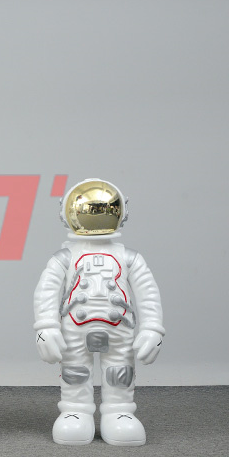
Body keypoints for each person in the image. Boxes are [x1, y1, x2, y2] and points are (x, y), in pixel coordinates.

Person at [33, 178, 164, 446]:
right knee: (75, 371)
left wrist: (153, 328)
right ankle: (75, 410)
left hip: (119, 328)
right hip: (75, 328)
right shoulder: (65, 257)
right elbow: (46, 291)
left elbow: (148, 293)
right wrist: (45, 326)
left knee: (120, 371)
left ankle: (119, 411)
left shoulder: (129, 258)